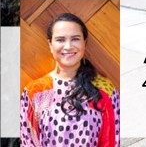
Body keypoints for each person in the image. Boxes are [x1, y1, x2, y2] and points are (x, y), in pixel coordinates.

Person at [20, 13, 119, 147]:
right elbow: (27, 141)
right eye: (60, 40)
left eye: (75, 39)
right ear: (50, 44)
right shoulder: (35, 92)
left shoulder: (104, 89)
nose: (68, 46)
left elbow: (113, 140)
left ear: (84, 42)